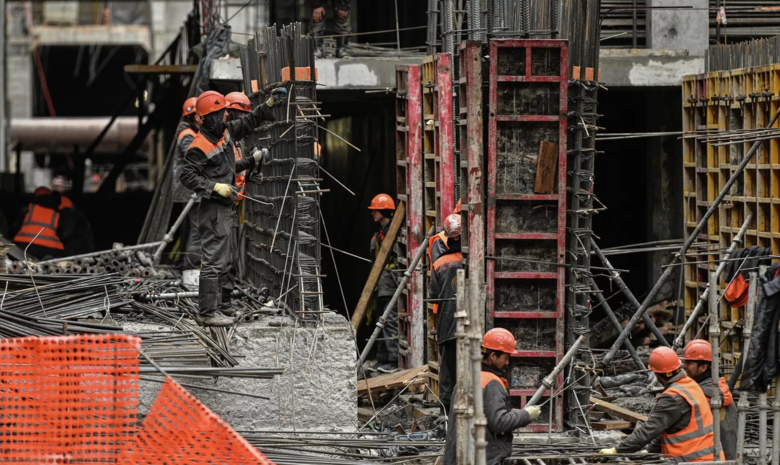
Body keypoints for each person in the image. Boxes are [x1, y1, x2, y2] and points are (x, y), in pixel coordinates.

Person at [180, 88, 286, 326]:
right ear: (209, 117)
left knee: (226, 260)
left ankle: (219, 307)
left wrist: (267, 105)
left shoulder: (224, 133)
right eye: (221, 113)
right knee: (214, 261)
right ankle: (207, 313)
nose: (226, 116)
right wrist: (214, 187)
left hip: (225, 208)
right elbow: (186, 176)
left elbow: (247, 123)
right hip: (213, 210)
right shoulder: (199, 146)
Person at [600, 346, 725, 462]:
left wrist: (617, 450)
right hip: (710, 458)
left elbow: (649, 429)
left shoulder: (672, 397)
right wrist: (649, 451)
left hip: (694, 460)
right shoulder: (690, 385)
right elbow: (668, 428)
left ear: (656, 373)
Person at [443, 328, 541, 465]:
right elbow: (498, 423)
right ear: (493, 356)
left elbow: (484, 413)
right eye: (506, 357)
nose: (507, 363)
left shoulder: (467, 377)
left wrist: (511, 413)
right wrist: (526, 415)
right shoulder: (491, 383)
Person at [220, 91, 253, 315]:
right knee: (224, 258)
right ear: (229, 112)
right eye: (238, 115)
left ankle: (223, 302)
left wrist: (249, 174)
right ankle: (220, 304)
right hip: (222, 205)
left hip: (234, 203)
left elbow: (236, 171)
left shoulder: (235, 140)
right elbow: (226, 168)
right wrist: (251, 161)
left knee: (230, 257)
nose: (241, 120)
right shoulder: (222, 138)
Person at [682, 339, 738, 460]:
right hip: (728, 458)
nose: (684, 366)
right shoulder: (721, 391)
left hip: (713, 459)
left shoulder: (701, 395)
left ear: (703, 367)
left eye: (689, 362)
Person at [429, 213, 463, 414]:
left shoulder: (439, 263)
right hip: (469, 326)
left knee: (448, 372)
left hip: (446, 324)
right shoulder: (474, 260)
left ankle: (446, 415)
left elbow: (434, 296)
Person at [368, 193, 401, 373]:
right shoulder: (380, 234)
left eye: (375, 210)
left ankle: (392, 360)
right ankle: (382, 358)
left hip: (390, 285)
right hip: (381, 286)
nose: (373, 213)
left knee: (389, 323)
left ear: (384, 211)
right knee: (379, 322)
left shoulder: (393, 232)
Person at [172, 97, 202, 272]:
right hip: (189, 189)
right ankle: (191, 269)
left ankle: (184, 265)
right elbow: (194, 156)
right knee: (197, 229)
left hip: (187, 188)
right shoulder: (188, 135)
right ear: (195, 117)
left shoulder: (189, 132)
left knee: (191, 228)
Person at [13, 187, 68, 259]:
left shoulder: (28, 209)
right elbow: (62, 234)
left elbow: (15, 228)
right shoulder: (56, 214)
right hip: (48, 249)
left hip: (23, 246)